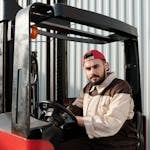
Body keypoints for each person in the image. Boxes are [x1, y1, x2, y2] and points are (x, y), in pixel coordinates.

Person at [55, 49, 138, 150]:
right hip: (94, 139)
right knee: (55, 144)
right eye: (88, 69)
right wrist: (59, 117)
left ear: (106, 66)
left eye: (96, 67)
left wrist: (78, 120)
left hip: (118, 143)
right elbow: (76, 107)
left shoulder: (120, 88)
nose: (92, 72)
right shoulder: (88, 88)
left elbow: (112, 123)